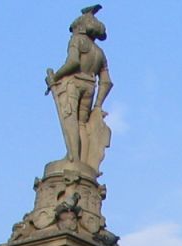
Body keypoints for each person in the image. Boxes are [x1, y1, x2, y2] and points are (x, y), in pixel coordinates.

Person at [45, 5, 113, 169]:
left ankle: (73, 158)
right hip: (90, 87)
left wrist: (55, 76)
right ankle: (81, 161)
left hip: (73, 84)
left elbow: (73, 62)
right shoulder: (99, 52)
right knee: (82, 123)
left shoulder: (77, 40)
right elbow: (106, 81)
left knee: (71, 120)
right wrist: (97, 105)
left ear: (80, 27)